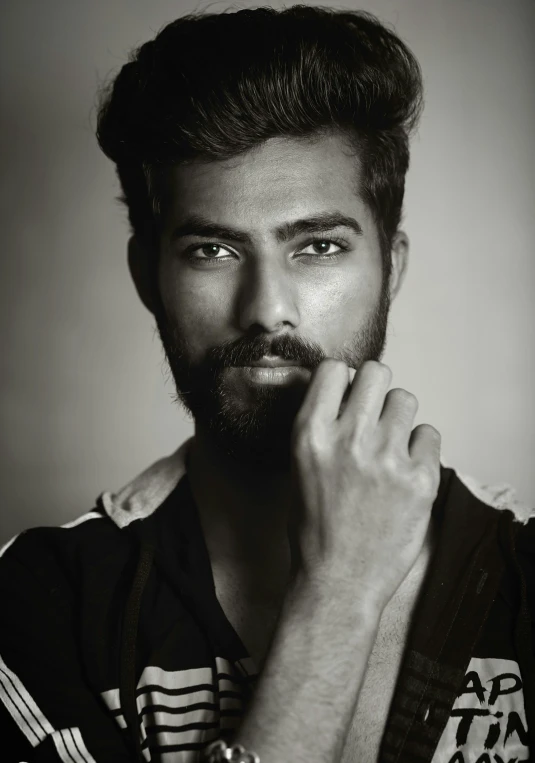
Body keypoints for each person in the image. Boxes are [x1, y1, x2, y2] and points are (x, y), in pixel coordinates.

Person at [0, 6, 533, 763]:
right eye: (212, 249)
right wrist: (338, 597)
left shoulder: (519, 570)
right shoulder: (42, 605)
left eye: (317, 245)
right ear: (145, 277)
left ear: (393, 269)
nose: (266, 309)